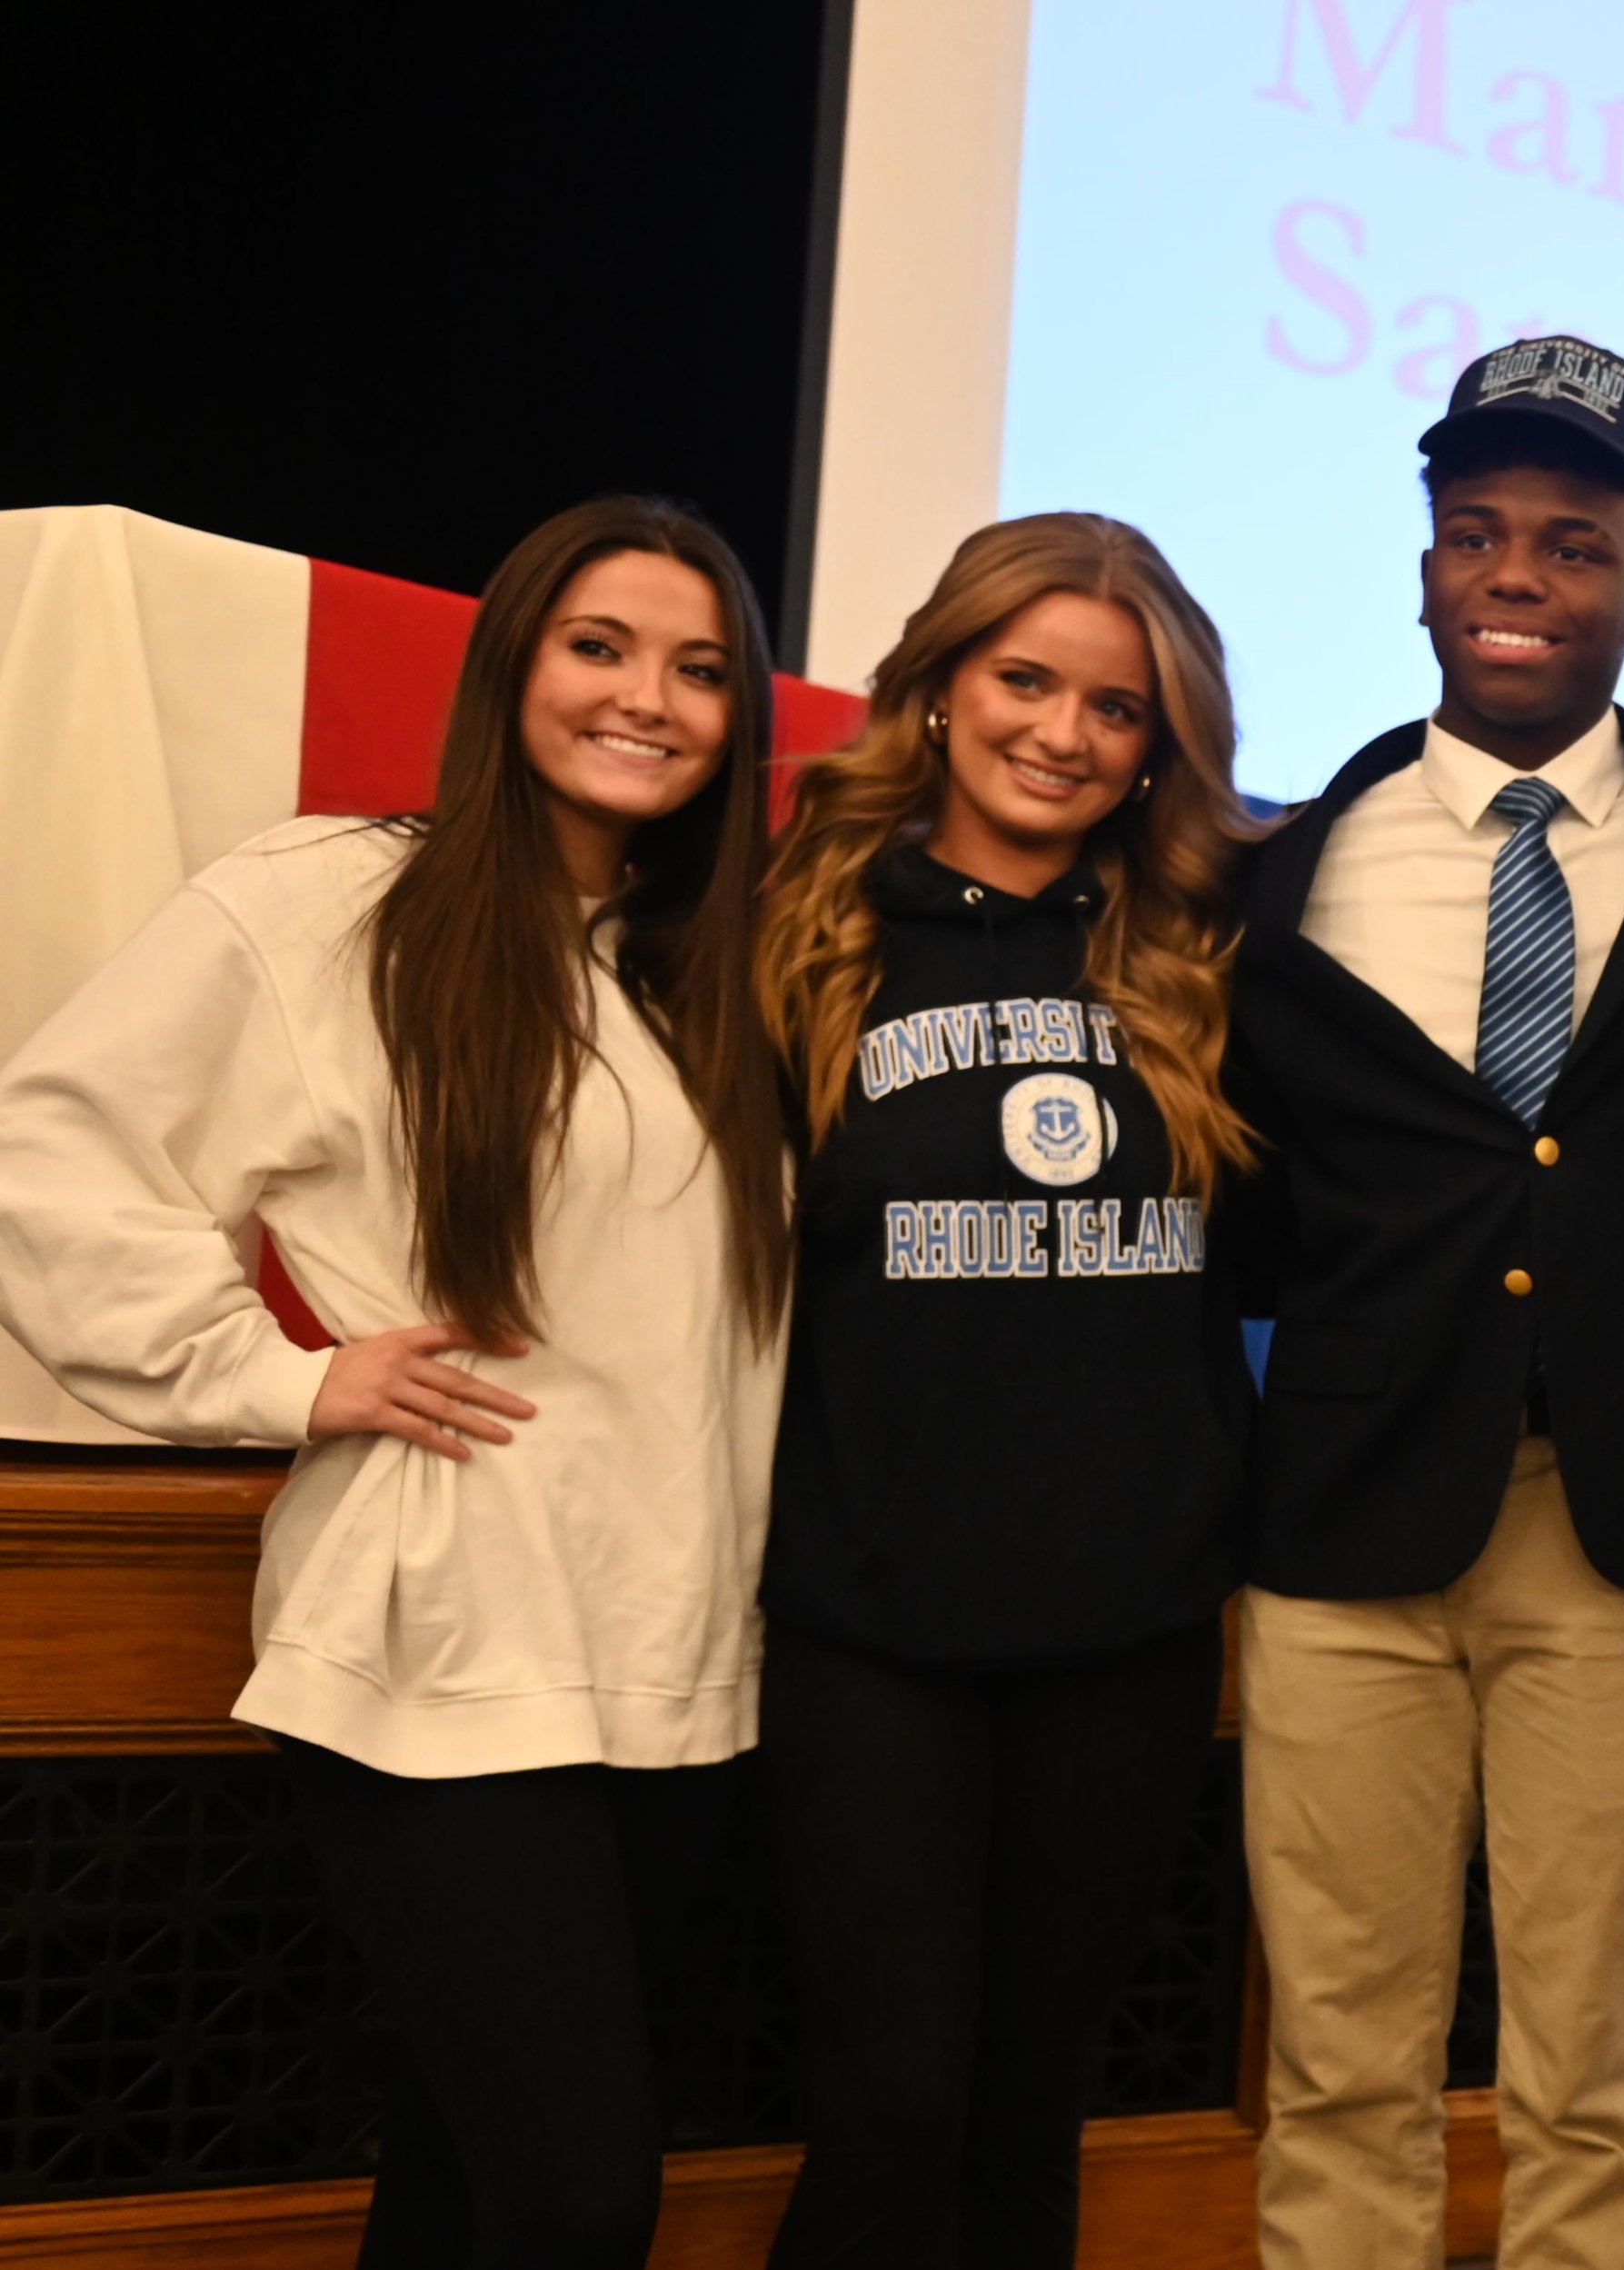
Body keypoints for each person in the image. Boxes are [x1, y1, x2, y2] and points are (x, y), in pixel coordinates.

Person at [0, 498, 794, 2265]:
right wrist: (270, 1375)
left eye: (699, 669)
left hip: (671, 1679)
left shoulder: (708, 980)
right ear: (511, 657)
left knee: (463, 2181)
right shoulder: (333, 900)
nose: (646, 699)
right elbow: (48, 1161)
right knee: (582, 2198)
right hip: (444, 1660)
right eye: (599, 646)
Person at [1223, 335, 1624, 2270]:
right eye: (1471, 533)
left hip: (1616, 1527)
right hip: (1339, 1543)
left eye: (1574, 543)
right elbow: (1248, 1195)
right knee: (1337, 2063)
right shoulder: (1285, 865)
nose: (1512, 574)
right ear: (1417, 572)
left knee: (1589, 2071)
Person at [746, 513, 1261, 2265]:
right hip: (868, 1629)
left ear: (1158, 745)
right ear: (941, 687)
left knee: (1034, 2101)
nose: (1061, 731)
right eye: (1023, 679)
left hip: (1125, 1629)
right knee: (890, 2107)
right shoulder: (798, 933)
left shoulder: (1207, 958)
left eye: (1115, 707)